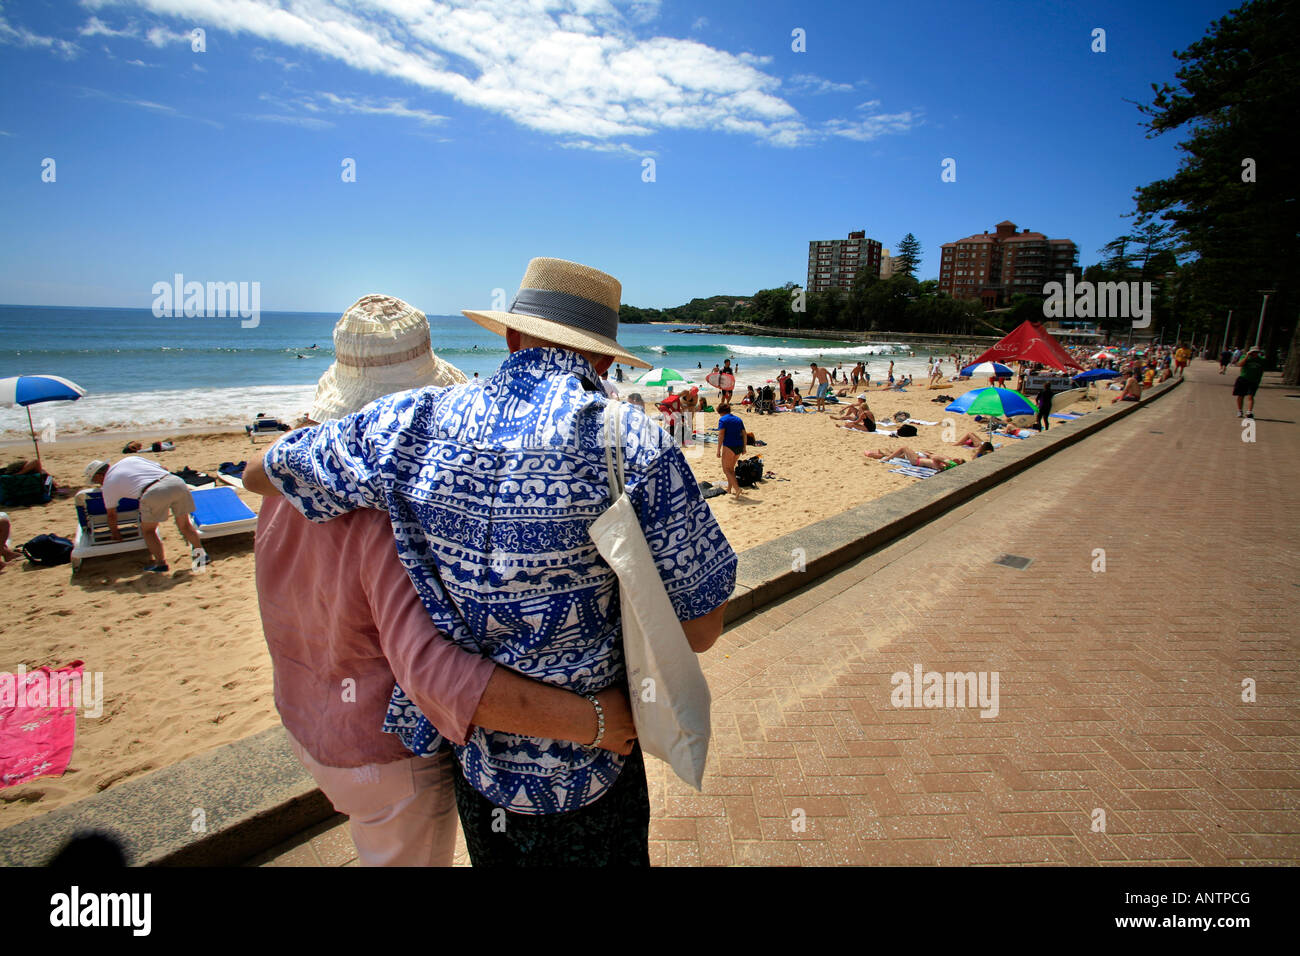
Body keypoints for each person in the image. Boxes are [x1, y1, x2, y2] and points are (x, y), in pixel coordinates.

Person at [244, 258, 737, 867]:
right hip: (595, 761)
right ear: (604, 359)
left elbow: (260, 472)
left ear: (510, 337)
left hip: (480, 767)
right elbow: (701, 629)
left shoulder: (412, 420)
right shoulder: (634, 442)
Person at [84, 456, 206, 573]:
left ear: (100, 476)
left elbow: (111, 515)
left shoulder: (109, 485)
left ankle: (160, 564)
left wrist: (115, 533)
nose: (98, 484)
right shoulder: (130, 459)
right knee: (185, 525)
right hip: (176, 482)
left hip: (152, 492)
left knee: (148, 531)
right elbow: (164, 468)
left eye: (95, 481)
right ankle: (201, 557)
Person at [716, 402, 746, 498]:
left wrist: (718, 449)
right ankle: (729, 489)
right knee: (731, 469)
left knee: (726, 470)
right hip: (739, 446)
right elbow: (744, 434)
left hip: (729, 446)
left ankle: (737, 489)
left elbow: (721, 435)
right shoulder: (738, 419)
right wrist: (744, 447)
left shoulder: (723, 420)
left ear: (721, 412)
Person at [865, 446, 972, 470]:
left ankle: (885, 457)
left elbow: (935, 459)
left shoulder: (947, 465)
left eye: (959, 460)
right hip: (919, 460)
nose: (958, 458)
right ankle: (880, 455)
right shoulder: (949, 463)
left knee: (903, 448)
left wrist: (941, 459)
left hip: (917, 461)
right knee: (900, 453)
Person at [1233, 346, 1265, 418]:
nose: (1255, 354)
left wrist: (1259, 379)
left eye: (1256, 352)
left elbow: (1262, 370)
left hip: (1254, 380)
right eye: (1253, 352)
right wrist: (1247, 356)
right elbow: (1240, 364)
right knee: (1240, 396)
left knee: (1251, 396)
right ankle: (1240, 411)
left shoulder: (1261, 360)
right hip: (1243, 379)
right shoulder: (1245, 357)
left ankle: (1249, 412)